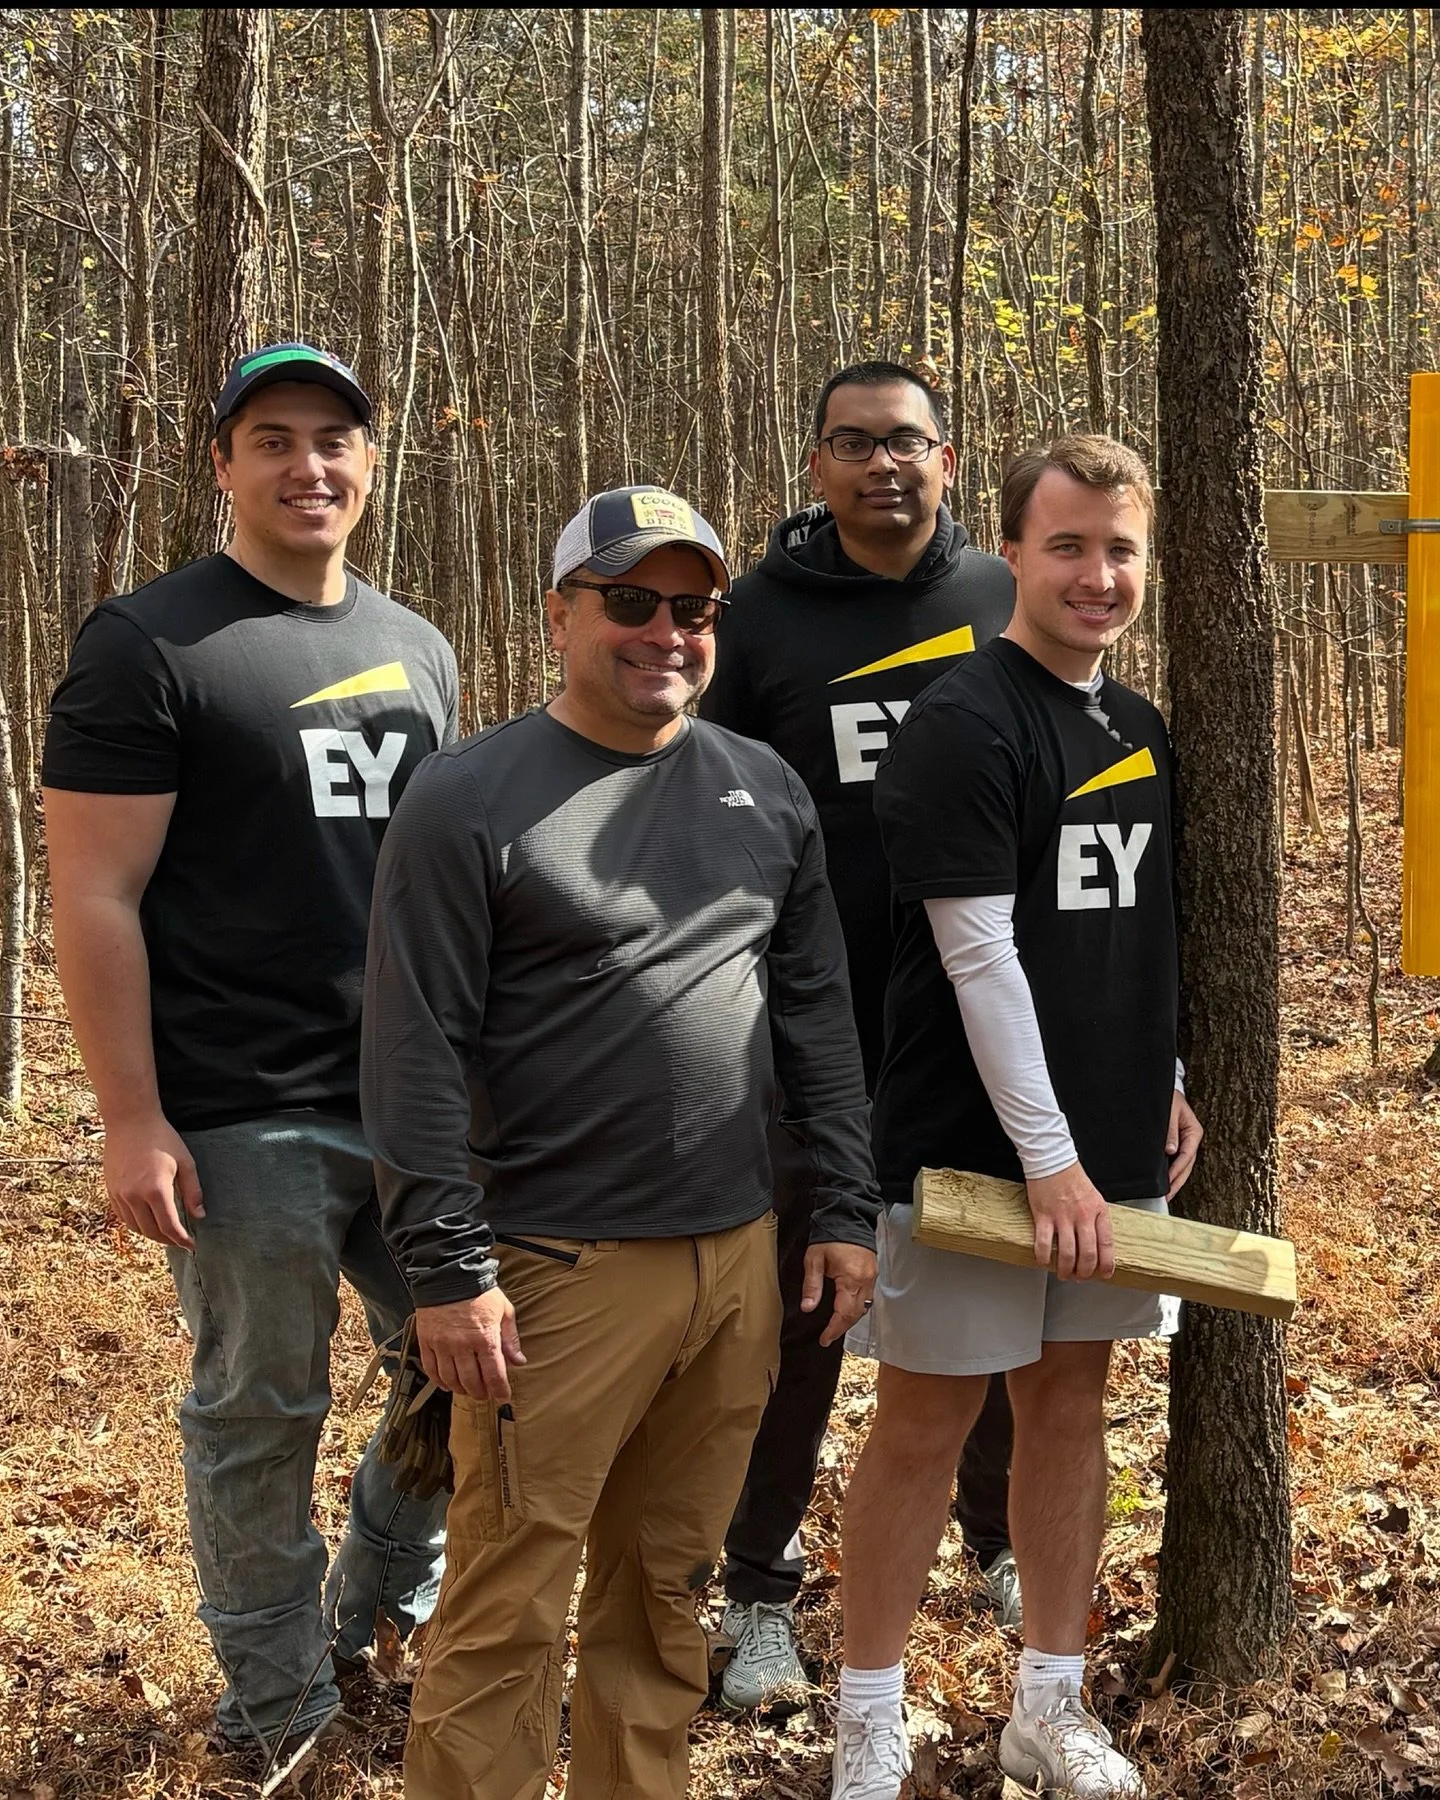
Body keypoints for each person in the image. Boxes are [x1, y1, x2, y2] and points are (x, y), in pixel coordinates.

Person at [359, 486, 881, 1800]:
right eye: (630, 602)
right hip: (549, 1273)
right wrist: (444, 1269)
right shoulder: (468, 798)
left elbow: (814, 1008)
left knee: (666, 1600)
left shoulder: (764, 791)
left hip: (736, 1261)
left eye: (693, 609)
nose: (665, 631)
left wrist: (841, 1208)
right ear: (559, 615)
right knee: (506, 1605)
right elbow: (412, 1049)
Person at [42, 343, 459, 1771]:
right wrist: (131, 1117)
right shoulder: (150, 643)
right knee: (260, 1413)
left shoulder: (419, 644)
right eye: (272, 439)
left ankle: (374, 1604)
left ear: (370, 458)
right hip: (239, 1109)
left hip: (418, 1108)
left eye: (335, 438)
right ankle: (279, 1711)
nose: (309, 467)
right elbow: (91, 893)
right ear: (222, 464)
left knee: (474, 1374)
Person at [832, 436, 1204, 1800]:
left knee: (1071, 1407)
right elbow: (979, 956)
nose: (1098, 576)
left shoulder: (1140, 729)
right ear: (1013, 557)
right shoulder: (964, 725)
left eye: (1121, 551)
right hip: (972, 1157)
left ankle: (1049, 1704)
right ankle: (866, 1723)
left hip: (1109, 1157)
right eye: (1068, 546)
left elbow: (1128, 935)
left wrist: (1157, 1078)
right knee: (924, 1421)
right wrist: (1046, 1161)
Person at [700, 361, 1019, 1709]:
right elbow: (704, 808)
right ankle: (758, 1592)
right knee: (804, 1311)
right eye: (852, 444)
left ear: (948, 459)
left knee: (1000, 1286)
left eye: (906, 442)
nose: (882, 465)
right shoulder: (755, 620)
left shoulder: (1002, 599)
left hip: (984, 1015)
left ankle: (1001, 1540)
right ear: (816, 466)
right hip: (808, 1025)